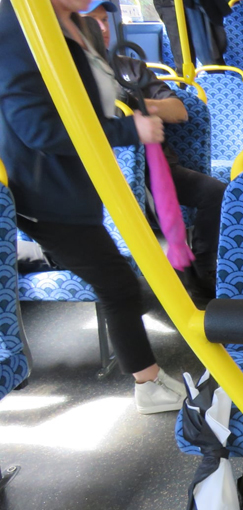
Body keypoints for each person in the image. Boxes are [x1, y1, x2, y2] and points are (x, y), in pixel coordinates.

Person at [0, 0, 187, 414]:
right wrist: (128, 129)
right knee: (119, 285)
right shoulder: (17, 27)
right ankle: (149, 384)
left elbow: (85, 102)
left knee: (116, 282)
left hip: (76, 190)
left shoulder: (78, 24)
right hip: (47, 194)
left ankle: (33, 255)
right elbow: (39, 128)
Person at [82, 0, 227, 299]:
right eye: (91, 22)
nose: (102, 29)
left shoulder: (130, 68)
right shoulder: (65, 75)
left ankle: (202, 271)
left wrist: (135, 102)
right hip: (100, 173)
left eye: (105, 21)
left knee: (215, 192)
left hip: (154, 170)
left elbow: (178, 111)